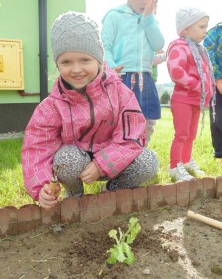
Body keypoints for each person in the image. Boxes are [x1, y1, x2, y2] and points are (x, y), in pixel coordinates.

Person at [21, 11, 158, 210]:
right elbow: (37, 147)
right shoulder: (52, 105)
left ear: (99, 59)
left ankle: (112, 192)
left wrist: (103, 164)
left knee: (148, 161)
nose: (76, 69)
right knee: (65, 159)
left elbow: (132, 134)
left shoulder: (120, 93)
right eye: (66, 62)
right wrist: (41, 185)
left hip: (115, 160)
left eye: (85, 60)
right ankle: (74, 195)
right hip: (77, 163)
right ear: (57, 65)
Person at [101, 0, 165, 146]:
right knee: (122, 118)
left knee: (148, 118)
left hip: (145, 76)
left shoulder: (150, 20)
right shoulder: (114, 16)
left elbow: (158, 44)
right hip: (122, 76)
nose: (145, 1)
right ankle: (120, 150)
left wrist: (148, 19)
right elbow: (105, 47)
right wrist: (111, 66)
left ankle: (141, 149)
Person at [166, 6, 215, 181]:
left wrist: (207, 90)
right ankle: (174, 166)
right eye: (201, 27)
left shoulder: (199, 50)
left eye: (206, 27)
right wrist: (197, 85)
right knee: (181, 134)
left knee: (191, 135)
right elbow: (176, 71)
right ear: (186, 29)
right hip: (183, 99)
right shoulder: (179, 46)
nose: (205, 31)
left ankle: (186, 162)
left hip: (196, 101)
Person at [203, 23, 222, 161]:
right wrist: (218, 79)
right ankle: (220, 150)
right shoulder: (215, 32)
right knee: (218, 117)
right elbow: (208, 55)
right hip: (218, 82)